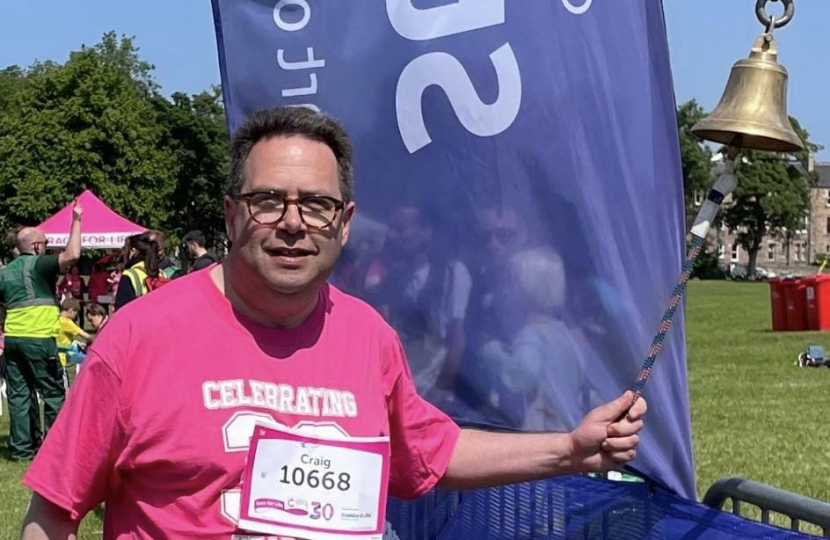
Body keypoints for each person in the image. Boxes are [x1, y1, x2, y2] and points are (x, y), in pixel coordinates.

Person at [20, 107, 645, 539]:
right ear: (233, 215)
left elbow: (431, 449)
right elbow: (53, 510)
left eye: (316, 205)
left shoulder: (368, 336)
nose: (293, 223)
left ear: (344, 223)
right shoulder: (138, 337)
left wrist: (569, 449)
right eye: (269, 201)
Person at [0, 202, 82, 461]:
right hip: (39, 339)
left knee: (19, 395)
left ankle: (22, 450)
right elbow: (73, 255)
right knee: (53, 393)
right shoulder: (39, 264)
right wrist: (76, 221)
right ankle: (55, 450)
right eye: (45, 243)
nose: (47, 247)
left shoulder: (4, 273)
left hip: (12, 339)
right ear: (36, 247)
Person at [114, 233, 161, 310]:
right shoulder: (161, 273)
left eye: (125, 250)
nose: (124, 253)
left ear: (133, 251)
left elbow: (121, 309)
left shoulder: (130, 274)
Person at [56, 298, 91, 367]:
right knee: (88, 360)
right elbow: (87, 336)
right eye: (76, 313)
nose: (76, 316)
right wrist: (91, 343)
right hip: (64, 354)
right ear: (71, 311)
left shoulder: (57, 318)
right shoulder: (67, 322)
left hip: (57, 351)